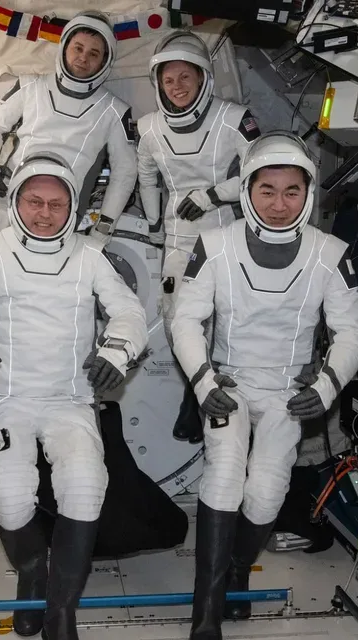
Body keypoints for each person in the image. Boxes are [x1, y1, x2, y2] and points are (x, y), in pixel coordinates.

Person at [0, 154, 147, 640]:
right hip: (8, 396)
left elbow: (129, 310)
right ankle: (32, 567)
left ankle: (61, 615)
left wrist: (116, 351)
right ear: (17, 201)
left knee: (86, 484)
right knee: (6, 493)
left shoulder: (91, 257)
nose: (45, 213)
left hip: (70, 398)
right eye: (34, 201)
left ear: (71, 207)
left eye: (56, 204)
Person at [169, 132, 358, 640]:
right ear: (247, 192)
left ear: (308, 194)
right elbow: (185, 320)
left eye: (291, 192)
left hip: (289, 392)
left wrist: (327, 384)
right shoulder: (215, 245)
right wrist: (204, 380)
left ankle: (236, 571)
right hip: (228, 386)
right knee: (225, 475)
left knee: (265, 495)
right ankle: (206, 610)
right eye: (266, 190)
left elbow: (352, 332)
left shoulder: (330, 254)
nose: (279, 205)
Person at [136, 30, 261, 443]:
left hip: (225, 232)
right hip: (179, 239)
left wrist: (212, 195)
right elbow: (147, 174)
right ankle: (198, 390)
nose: (177, 88)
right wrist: (155, 222)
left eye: (185, 78)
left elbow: (260, 169)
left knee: (226, 317)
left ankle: (224, 400)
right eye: (168, 80)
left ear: (204, 77)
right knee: (178, 318)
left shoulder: (233, 118)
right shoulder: (150, 127)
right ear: (158, 85)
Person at [0, 10, 137, 269]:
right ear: (65, 47)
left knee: (27, 284)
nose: (83, 58)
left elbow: (125, 172)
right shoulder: (30, 86)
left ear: (104, 61)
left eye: (94, 53)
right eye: (78, 48)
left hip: (57, 213)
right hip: (7, 196)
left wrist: (104, 226)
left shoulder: (114, 111)